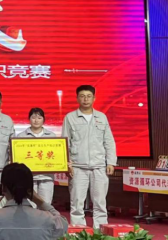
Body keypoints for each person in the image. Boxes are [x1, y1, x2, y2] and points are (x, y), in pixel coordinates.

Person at [0, 163, 68, 240]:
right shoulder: (48, 219)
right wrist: (40, 202)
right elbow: (63, 225)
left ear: (3, 188)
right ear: (30, 190)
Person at [62, 85, 117, 230]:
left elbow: (109, 141)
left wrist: (111, 162)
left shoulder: (102, 117)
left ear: (94, 98)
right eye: (82, 96)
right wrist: (67, 164)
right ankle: (79, 233)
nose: (85, 99)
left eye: (88, 96)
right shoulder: (70, 117)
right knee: (76, 204)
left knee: (100, 204)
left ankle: (101, 233)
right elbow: (65, 142)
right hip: (77, 167)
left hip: (99, 167)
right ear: (77, 98)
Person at [15, 108, 57, 205]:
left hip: (47, 176)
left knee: (45, 204)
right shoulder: (21, 136)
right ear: (29, 119)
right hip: (28, 177)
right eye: (33, 117)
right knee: (29, 205)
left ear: (44, 119)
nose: (36, 120)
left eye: (39, 118)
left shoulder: (51, 136)